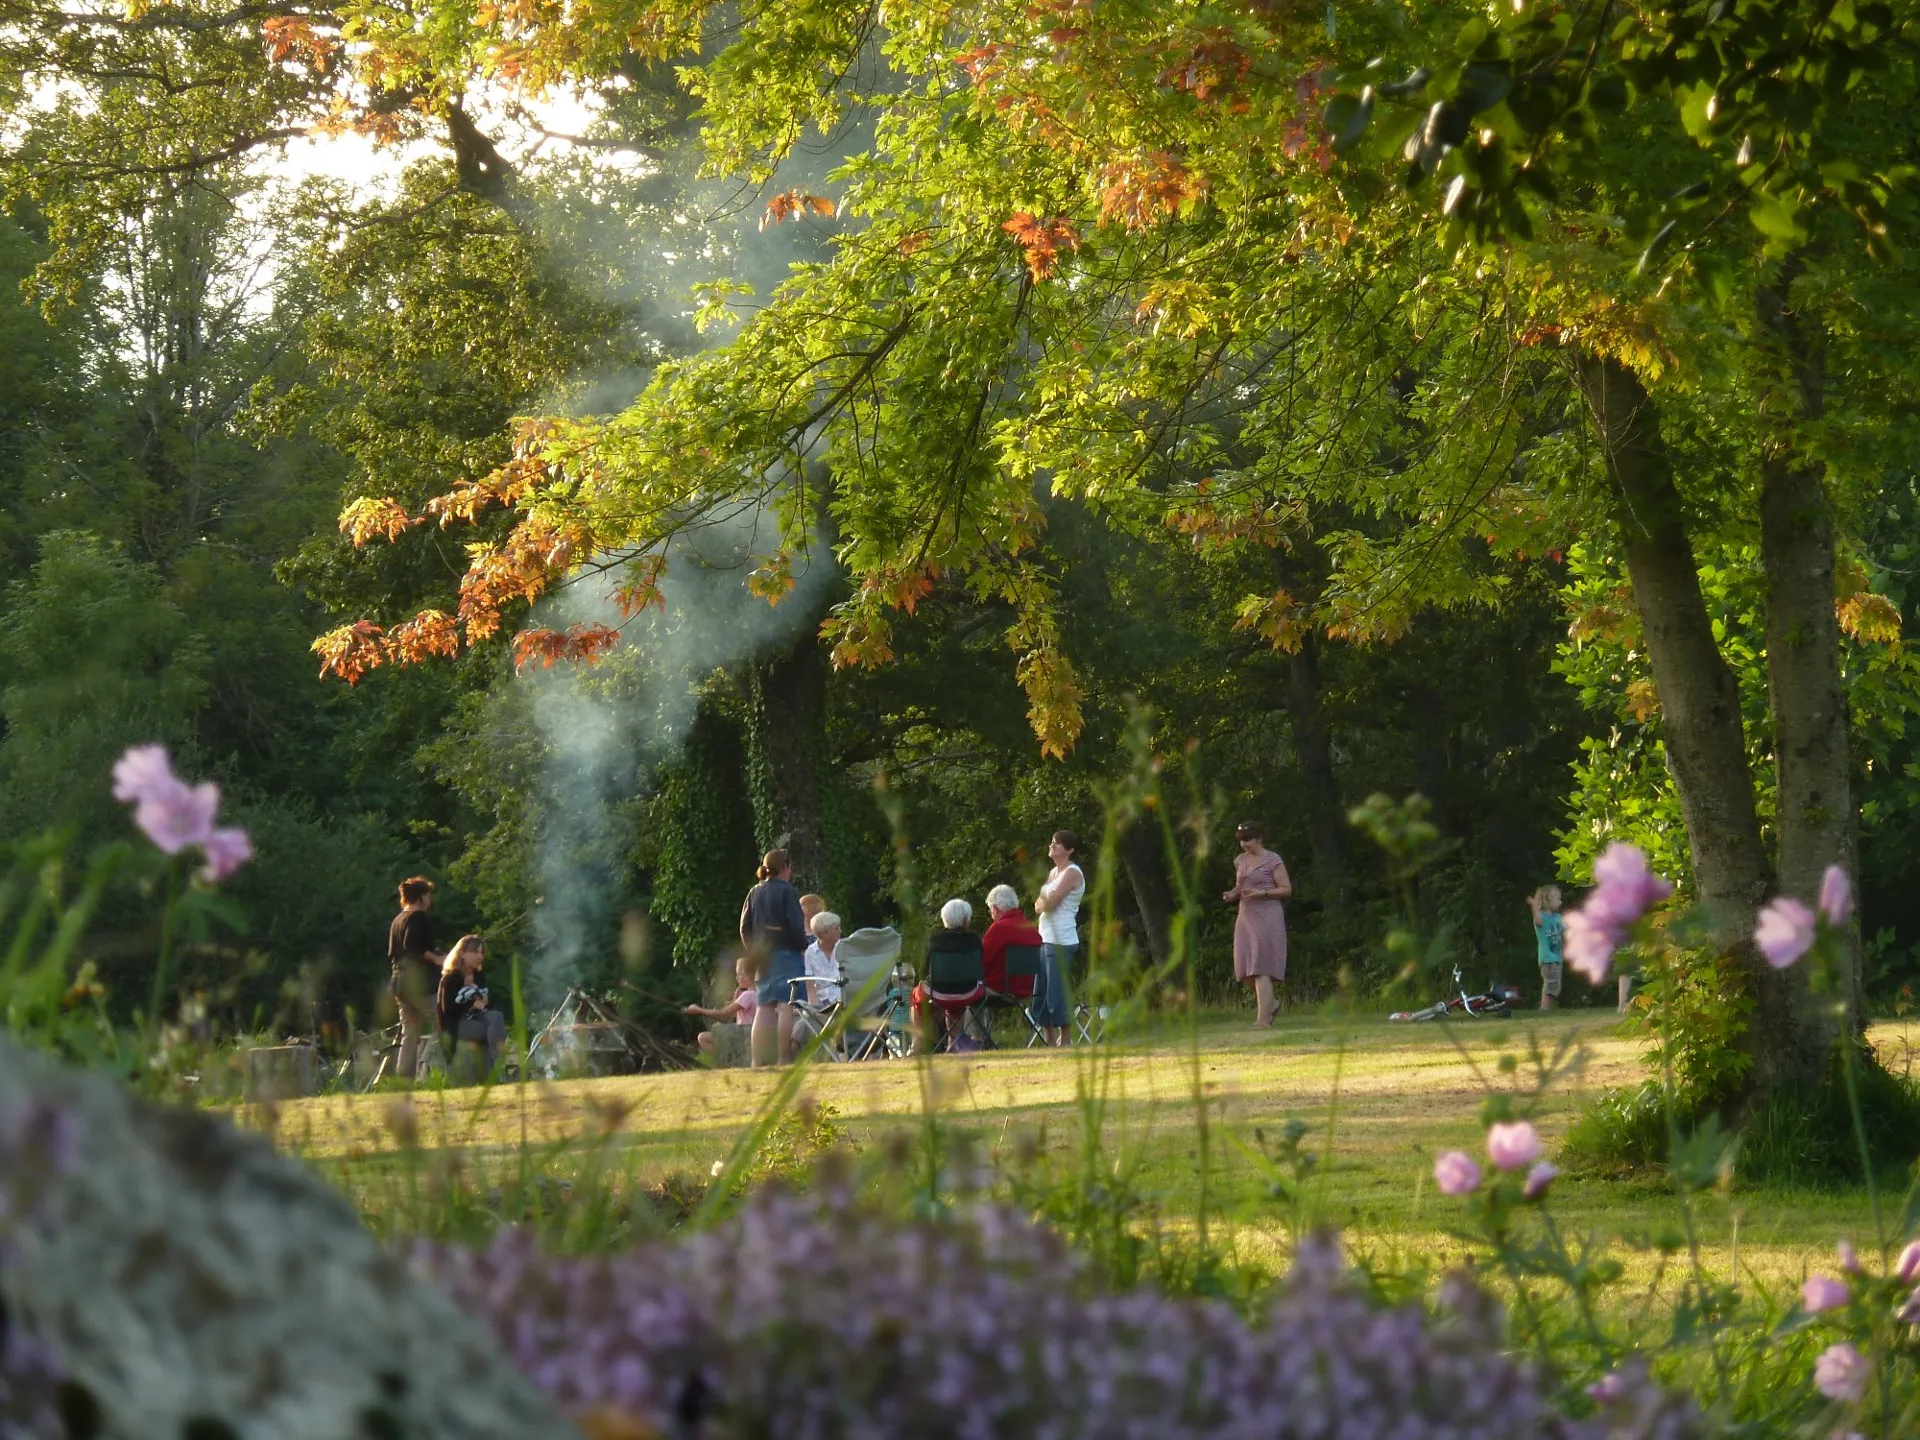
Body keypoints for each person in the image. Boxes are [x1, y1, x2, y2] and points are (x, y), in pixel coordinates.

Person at [740, 848, 809, 1067]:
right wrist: (802, 945)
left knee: (764, 1007)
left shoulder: (754, 892)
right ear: (786, 867)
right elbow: (796, 925)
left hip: (763, 957)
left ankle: (756, 1060)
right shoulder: (787, 891)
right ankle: (783, 1058)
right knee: (785, 1005)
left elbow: (744, 927)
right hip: (786, 954)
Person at [1223, 822, 1289, 1029]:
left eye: (1248, 839)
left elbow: (1286, 889)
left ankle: (1263, 1021)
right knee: (1244, 970)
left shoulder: (1273, 860)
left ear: (1259, 839)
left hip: (1268, 915)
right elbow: (1240, 886)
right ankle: (1272, 1004)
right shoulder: (1240, 861)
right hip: (1246, 916)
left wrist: (1262, 893)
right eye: (1242, 839)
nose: (1244, 844)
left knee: (1261, 968)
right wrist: (1232, 893)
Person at [388, 876, 446, 1081]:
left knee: (410, 1034)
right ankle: (426, 1072)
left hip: (399, 984)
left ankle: (403, 1080)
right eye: (428, 895)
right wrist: (438, 959)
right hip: (419, 983)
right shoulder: (418, 917)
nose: (430, 900)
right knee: (443, 1023)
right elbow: (413, 946)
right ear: (421, 897)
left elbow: (398, 951)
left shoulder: (398, 920)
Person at [1033, 830, 1085, 1047]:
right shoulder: (1053, 873)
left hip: (1061, 939)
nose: (1052, 846)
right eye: (1052, 842)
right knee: (1041, 993)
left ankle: (1066, 1041)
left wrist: (1046, 901)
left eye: (1058, 843)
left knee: (1056, 992)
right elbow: (1038, 905)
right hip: (1045, 937)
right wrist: (1045, 901)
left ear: (1069, 850)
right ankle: (1050, 1042)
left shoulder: (1072, 873)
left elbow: (1050, 904)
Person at [912, 898, 985, 1049]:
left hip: (940, 993)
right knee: (957, 1001)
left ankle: (919, 1042)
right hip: (970, 992)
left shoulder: (934, 940)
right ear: (965, 920)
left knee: (916, 993)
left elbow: (923, 969)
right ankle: (953, 1043)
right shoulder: (974, 940)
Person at [435, 934, 505, 1078]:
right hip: (457, 1024)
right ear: (462, 953)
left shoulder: (479, 976)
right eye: (475, 952)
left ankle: (494, 1067)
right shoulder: (450, 978)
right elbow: (447, 1010)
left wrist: (484, 1002)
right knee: (491, 1029)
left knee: (497, 1016)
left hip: (477, 1018)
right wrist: (470, 1002)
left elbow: (486, 1005)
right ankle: (497, 1067)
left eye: (482, 953)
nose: (479, 956)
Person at [685, 956, 760, 1060]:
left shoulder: (748, 995)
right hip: (749, 1037)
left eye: (739, 974)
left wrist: (698, 1010)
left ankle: (727, 1062)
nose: (737, 977)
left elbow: (724, 1015)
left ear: (749, 975)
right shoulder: (758, 993)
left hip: (742, 1038)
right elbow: (732, 1012)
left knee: (702, 1037)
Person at [980, 884, 1041, 999]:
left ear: (996, 909)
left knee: (967, 990)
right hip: (1029, 990)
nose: (991, 916)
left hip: (1001, 989)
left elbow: (981, 962)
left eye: (990, 911)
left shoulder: (998, 929)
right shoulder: (1031, 928)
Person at [1528, 885, 1566, 1011]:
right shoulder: (1542, 918)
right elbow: (1537, 921)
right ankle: (1543, 1008)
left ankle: (1547, 1008)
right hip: (1547, 958)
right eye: (1557, 899)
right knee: (1550, 984)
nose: (1560, 901)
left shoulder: (1558, 918)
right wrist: (1534, 906)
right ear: (1546, 901)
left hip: (1557, 958)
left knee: (1555, 986)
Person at [803, 910, 843, 1007]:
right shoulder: (810, 952)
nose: (840, 931)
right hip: (822, 1001)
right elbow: (810, 984)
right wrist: (813, 1007)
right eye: (836, 929)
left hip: (843, 998)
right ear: (824, 933)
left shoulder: (843, 947)